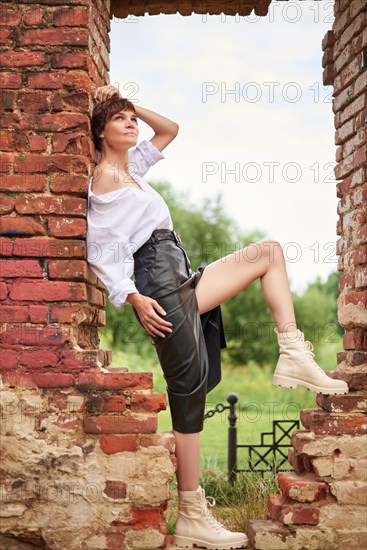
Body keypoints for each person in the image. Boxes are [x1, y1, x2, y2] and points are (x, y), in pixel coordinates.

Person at [86, 84, 349, 550]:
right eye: (121, 120)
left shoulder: (134, 170)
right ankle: (191, 515)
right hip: (157, 285)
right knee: (187, 398)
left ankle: (293, 352)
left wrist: (126, 100)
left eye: (132, 119)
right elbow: (100, 247)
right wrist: (131, 297)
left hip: (177, 276)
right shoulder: (105, 177)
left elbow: (171, 129)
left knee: (268, 253)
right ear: (101, 132)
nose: (133, 124)